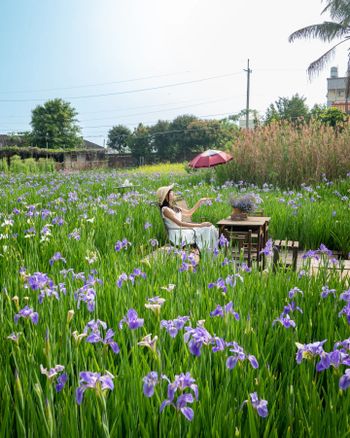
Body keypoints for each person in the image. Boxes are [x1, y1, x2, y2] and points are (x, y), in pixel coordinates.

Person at [156, 184, 219, 251]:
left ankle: (212, 250)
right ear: (166, 196)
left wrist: (200, 201)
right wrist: (200, 225)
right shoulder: (165, 210)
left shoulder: (174, 207)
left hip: (183, 230)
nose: (173, 192)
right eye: (170, 191)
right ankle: (208, 251)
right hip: (177, 235)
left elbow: (189, 213)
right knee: (207, 228)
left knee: (210, 227)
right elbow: (180, 223)